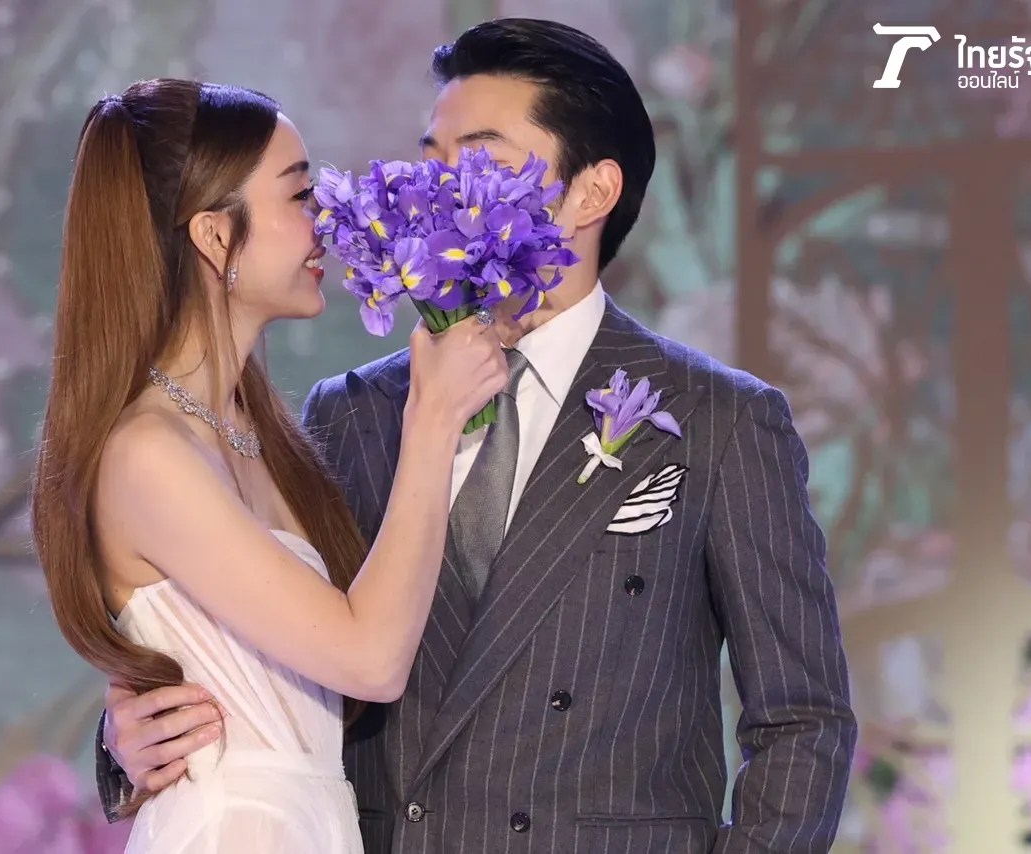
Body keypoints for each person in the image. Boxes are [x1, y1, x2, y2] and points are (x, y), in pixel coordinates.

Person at [99, 19, 857, 854]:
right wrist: (128, 739)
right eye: (430, 157)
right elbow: (272, 650)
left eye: (480, 158)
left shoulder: (718, 420)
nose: (437, 188)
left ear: (592, 193)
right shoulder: (352, 413)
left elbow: (803, 719)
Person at [31, 78, 508, 853]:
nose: (325, 221)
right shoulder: (149, 454)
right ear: (215, 236)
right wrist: (433, 419)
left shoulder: (262, 434)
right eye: (298, 195)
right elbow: (370, 659)